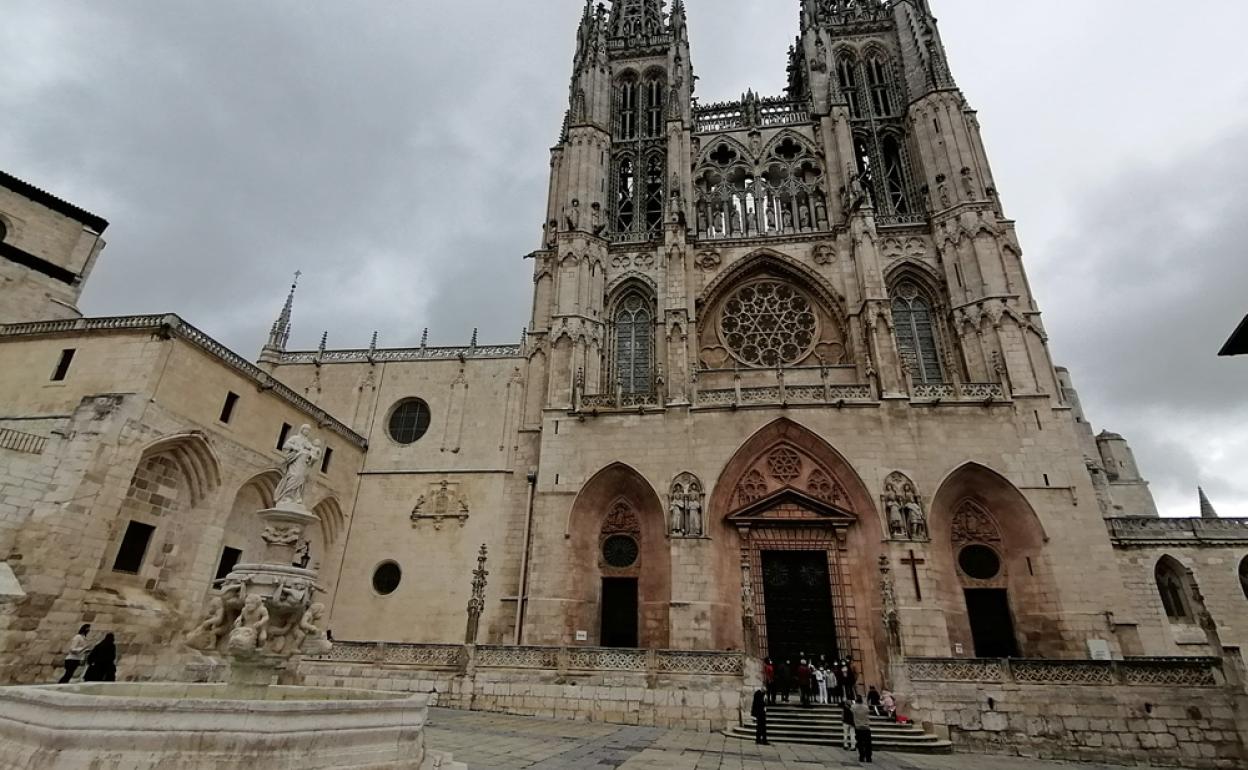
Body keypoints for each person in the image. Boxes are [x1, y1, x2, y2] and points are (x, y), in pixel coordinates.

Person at [853, 695, 874, 763]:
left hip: (858, 727)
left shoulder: (854, 707)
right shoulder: (866, 707)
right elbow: (868, 712)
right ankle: (869, 757)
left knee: (860, 743)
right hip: (866, 727)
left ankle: (861, 756)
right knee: (868, 743)